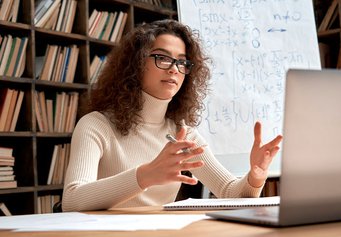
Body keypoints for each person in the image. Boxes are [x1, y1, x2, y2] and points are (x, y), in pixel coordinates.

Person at [62, 19, 283, 212]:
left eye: (182, 62)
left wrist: (255, 176)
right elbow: (72, 199)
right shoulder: (95, 125)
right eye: (163, 58)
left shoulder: (184, 135)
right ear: (136, 64)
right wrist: (144, 175)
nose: (174, 69)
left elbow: (230, 193)